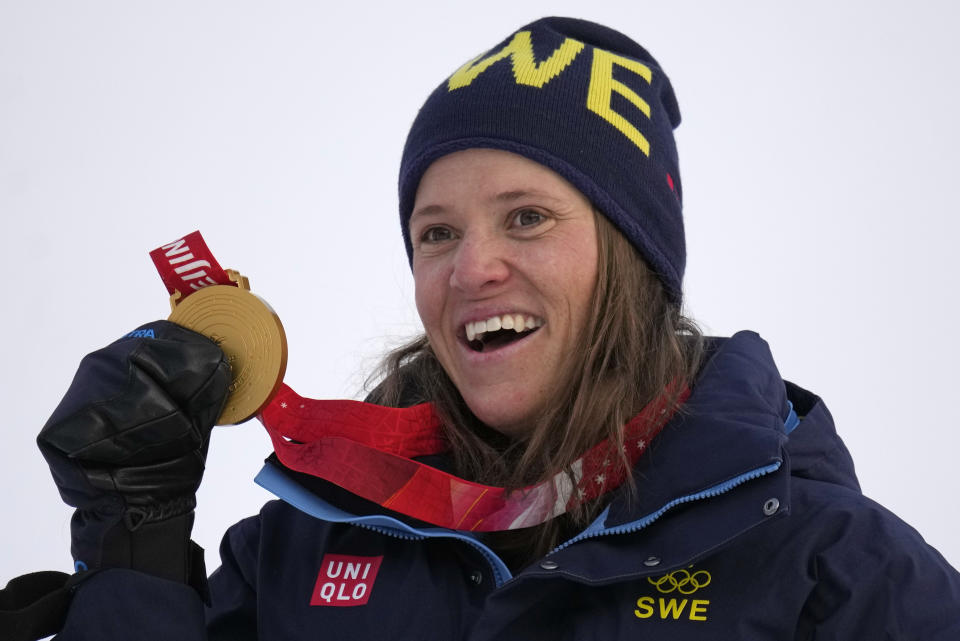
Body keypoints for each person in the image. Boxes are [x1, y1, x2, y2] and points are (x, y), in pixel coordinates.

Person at [3, 16, 959, 641]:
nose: (470, 268)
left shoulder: (823, 559)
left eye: (528, 217)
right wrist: (138, 545)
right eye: (437, 232)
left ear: (632, 259)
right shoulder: (304, 548)